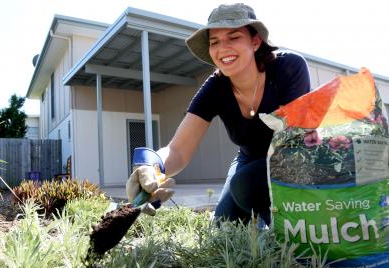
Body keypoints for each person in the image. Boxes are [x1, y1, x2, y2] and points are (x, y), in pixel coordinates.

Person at [126, 3, 311, 225]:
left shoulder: (289, 68)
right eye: (214, 42)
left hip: (293, 158)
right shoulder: (215, 89)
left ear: (255, 41)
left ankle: (287, 229)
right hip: (249, 159)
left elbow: (299, 138)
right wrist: (153, 167)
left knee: (247, 184)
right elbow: (177, 150)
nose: (222, 48)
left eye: (233, 37)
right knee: (224, 227)